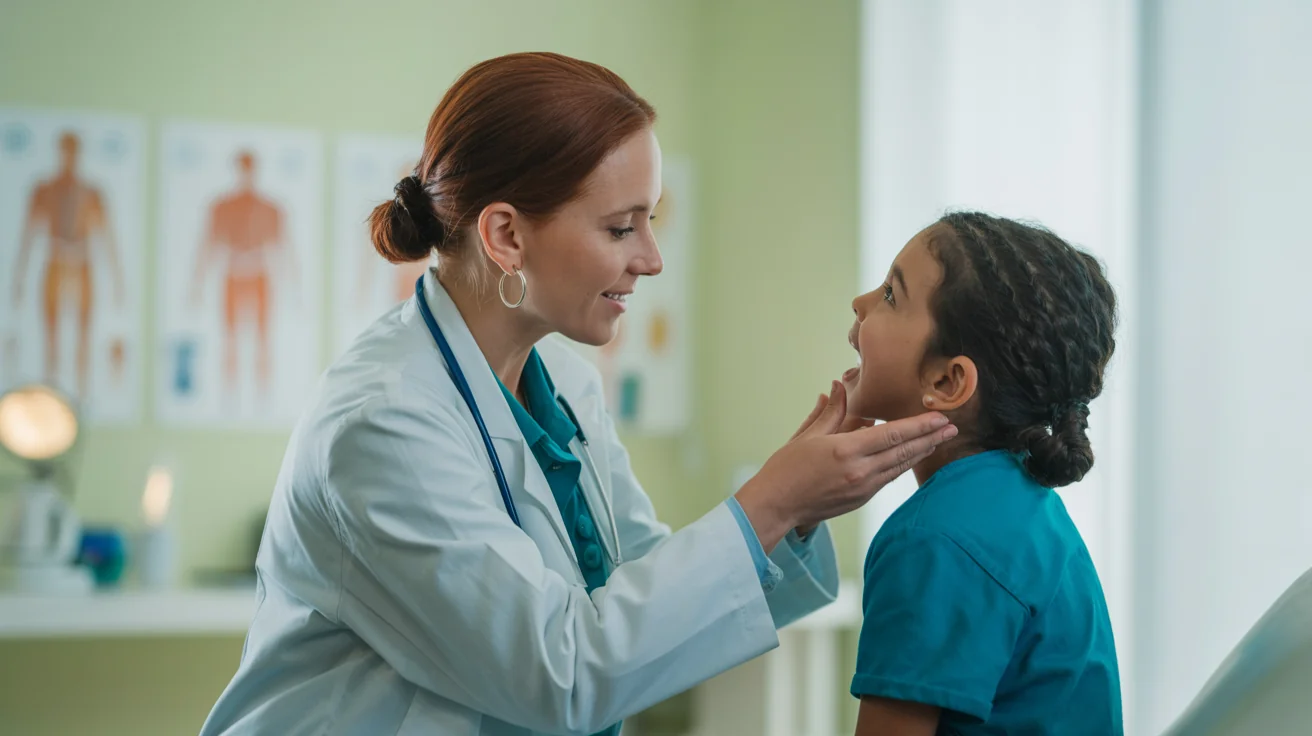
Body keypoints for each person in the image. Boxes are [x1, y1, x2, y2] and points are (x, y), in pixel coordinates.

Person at [200, 52, 956, 736]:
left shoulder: (562, 382)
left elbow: (636, 593)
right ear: (506, 236)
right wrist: (770, 502)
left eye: (650, 223)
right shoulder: (381, 421)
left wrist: (795, 511)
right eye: (622, 227)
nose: (652, 260)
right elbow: (557, 672)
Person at [843, 212, 1122, 735]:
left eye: (889, 296)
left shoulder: (933, 541)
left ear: (948, 381)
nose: (860, 304)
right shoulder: (1023, 505)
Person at [11, 131, 124, 398]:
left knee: (83, 333)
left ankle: (81, 395)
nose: (69, 157)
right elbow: (28, 235)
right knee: (52, 333)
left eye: (73, 152)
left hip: (82, 263)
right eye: (65, 151)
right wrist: (19, 276)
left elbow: (108, 238)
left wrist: (118, 279)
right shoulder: (45, 190)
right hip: (55, 261)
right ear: (59, 153)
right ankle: (51, 394)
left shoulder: (92, 193)